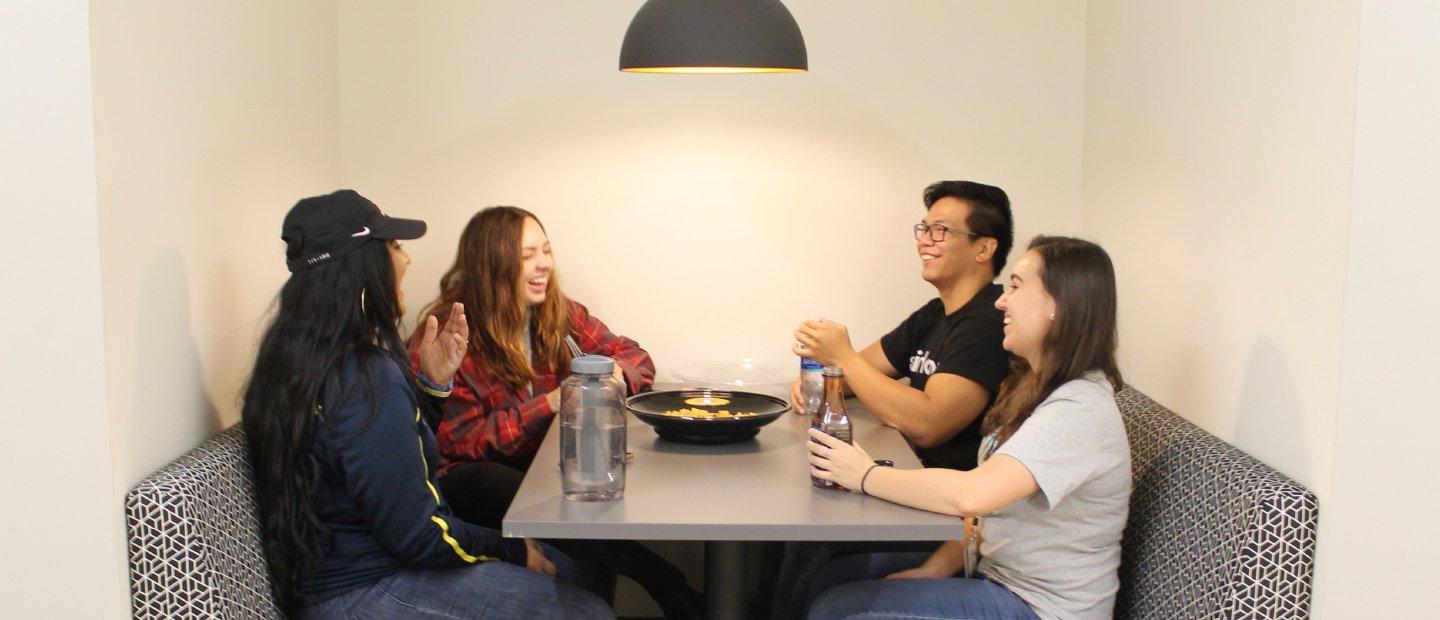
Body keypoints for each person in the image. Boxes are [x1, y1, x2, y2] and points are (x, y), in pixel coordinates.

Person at [241, 190, 612, 619]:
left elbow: (381, 461)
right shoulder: (363, 376)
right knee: (586, 609)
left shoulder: (296, 362)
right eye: (395, 247)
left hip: (341, 580)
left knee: (568, 569)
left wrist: (431, 388)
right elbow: (416, 534)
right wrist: (509, 548)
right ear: (363, 268)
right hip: (364, 591)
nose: (406, 259)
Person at [804, 236, 1131, 620]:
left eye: (1015, 286)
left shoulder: (1079, 408)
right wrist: (939, 567)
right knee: (829, 577)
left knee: (835, 610)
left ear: (1059, 304)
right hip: (993, 574)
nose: (1001, 301)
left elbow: (975, 494)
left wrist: (865, 475)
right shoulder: (1033, 386)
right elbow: (985, 514)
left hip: (1040, 608)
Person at [408, 205, 701, 619]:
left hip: (545, 470)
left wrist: (614, 376)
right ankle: (657, 576)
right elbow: (455, 440)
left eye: (546, 251)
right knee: (499, 482)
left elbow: (637, 358)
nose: (544, 264)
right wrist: (547, 406)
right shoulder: (450, 330)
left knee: (591, 486)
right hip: (471, 482)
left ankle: (655, 582)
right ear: (493, 262)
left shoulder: (557, 312)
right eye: (528, 255)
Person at [765, 180, 1015, 618]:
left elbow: (931, 422)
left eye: (941, 231)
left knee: (811, 534)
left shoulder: (988, 323)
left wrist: (840, 358)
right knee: (794, 531)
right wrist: (824, 374)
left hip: (942, 512)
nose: (925, 242)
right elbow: (849, 376)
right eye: (923, 229)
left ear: (983, 248)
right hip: (910, 487)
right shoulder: (936, 314)